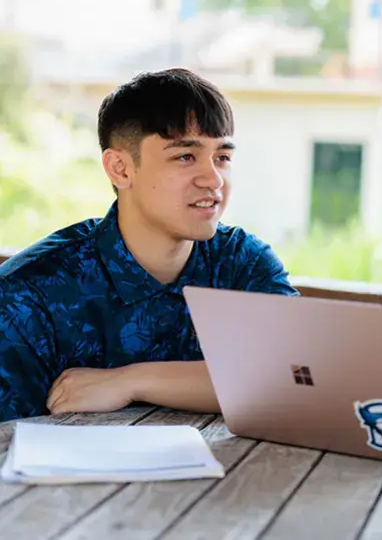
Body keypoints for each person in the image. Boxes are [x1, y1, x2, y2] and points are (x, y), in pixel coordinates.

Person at [0, 68, 298, 422]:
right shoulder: (28, 294)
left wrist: (132, 381)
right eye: (185, 157)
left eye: (222, 157)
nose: (213, 179)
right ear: (120, 169)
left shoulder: (243, 263)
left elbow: (297, 378)